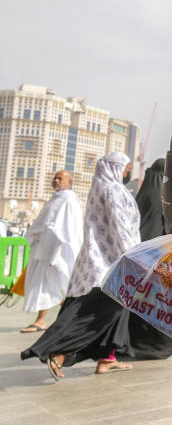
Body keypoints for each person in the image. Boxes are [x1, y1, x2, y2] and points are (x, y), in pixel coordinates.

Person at [22, 152, 141, 378]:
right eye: (126, 167)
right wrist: (136, 255)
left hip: (98, 263)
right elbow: (121, 227)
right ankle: (59, 352)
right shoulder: (113, 190)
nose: (128, 172)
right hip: (111, 264)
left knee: (114, 309)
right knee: (98, 314)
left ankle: (108, 358)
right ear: (116, 168)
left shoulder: (99, 188)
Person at [19, 170, 83, 333]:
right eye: (55, 177)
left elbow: (66, 230)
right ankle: (43, 320)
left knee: (59, 285)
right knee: (49, 286)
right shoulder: (56, 199)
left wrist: (56, 251)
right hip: (44, 250)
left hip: (57, 252)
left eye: (60, 178)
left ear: (69, 182)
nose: (56, 180)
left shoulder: (69, 201)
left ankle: (58, 321)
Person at [126, 158, 172, 360]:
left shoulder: (142, 195)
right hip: (157, 261)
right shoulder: (162, 197)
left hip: (138, 259)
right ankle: (155, 345)